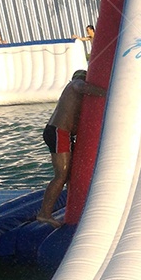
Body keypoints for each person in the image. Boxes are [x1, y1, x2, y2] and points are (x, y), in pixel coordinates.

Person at [37, 69, 106, 224]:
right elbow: (80, 86)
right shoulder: (75, 85)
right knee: (61, 175)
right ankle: (44, 213)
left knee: (70, 174)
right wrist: (106, 93)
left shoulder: (73, 98)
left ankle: (74, 207)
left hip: (61, 133)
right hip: (59, 132)